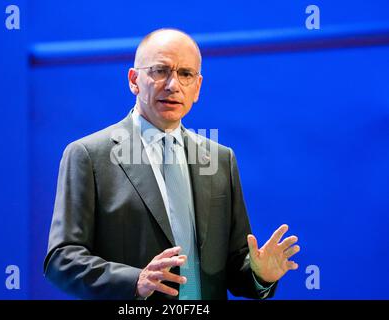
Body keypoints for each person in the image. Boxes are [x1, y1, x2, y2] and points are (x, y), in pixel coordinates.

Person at [44, 28, 300, 300]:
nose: (173, 85)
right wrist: (135, 282)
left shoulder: (220, 159)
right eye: (160, 71)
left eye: (185, 74)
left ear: (197, 87)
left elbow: (235, 266)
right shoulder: (88, 155)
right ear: (134, 80)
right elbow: (62, 260)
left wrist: (259, 275)